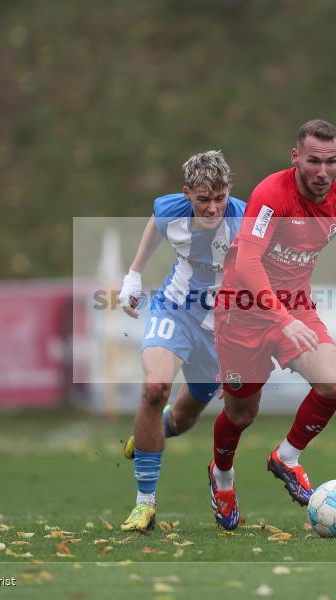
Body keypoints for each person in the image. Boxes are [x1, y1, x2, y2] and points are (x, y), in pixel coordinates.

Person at [208, 119, 336, 530]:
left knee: (333, 384)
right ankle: (222, 478)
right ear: (295, 158)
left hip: (295, 308)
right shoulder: (271, 195)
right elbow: (250, 260)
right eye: (313, 161)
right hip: (242, 310)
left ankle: (286, 458)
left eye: (332, 161)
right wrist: (279, 317)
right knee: (241, 414)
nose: (323, 172)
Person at [117, 150, 246, 532]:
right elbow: (155, 225)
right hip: (175, 308)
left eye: (219, 197)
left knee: (183, 417)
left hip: (222, 326)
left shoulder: (245, 221)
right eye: (203, 198)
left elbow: (255, 288)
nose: (212, 207)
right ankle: (144, 503)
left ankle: (153, 431)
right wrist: (134, 274)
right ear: (187, 193)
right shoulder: (170, 208)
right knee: (155, 390)